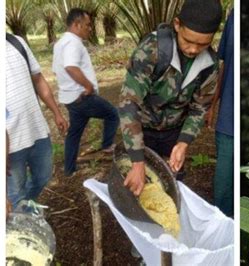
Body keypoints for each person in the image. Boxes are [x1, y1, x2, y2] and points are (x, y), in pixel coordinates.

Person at [119, 0, 223, 196]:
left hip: (173, 133)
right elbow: (128, 104)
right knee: (138, 184)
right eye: (188, 41)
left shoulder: (210, 64)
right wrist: (137, 161)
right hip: (143, 130)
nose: (193, 49)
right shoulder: (152, 50)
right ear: (177, 25)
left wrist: (183, 143)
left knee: (171, 183)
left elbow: (199, 108)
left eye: (202, 44)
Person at [53, 8, 119, 177]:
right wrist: (88, 86)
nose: (90, 28)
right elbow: (70, 66)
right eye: (88, 25)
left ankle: (69, 169)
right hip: (82, 97)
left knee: (74, 134)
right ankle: (107, 146)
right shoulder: (73, 43)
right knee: (113, 114)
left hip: (70, 98)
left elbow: (58, 68)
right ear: (76, 24)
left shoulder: (60, 43)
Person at [6, 33, 68, 209]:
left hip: (37, 130)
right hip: (10, 145)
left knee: (43, 176)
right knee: (14, 192)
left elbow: (38, 79)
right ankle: (23, 225)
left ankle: (26, 206)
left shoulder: (16, 42)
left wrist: (57, 113)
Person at [206, 9, 234, 216]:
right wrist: (213, 105)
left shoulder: (233, 16)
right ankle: (223, 220)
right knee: (225, 175)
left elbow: (223, 64)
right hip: (228, 115)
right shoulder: (233, 17)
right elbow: (223, 65)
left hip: (229, 114)